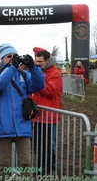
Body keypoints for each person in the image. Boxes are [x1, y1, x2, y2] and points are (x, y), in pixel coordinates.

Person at [0, 44, 45, 177]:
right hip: (2, 125)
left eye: (14, 56)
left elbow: (39, 85)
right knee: (3, 163)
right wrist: (13, 67)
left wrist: (33, 67)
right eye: (9, 57)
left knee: (26, 162)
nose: (12, 59)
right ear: (2, 59)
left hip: (22, 124)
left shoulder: (23, 74)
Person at [32, 47, 63, 175]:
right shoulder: (37, 71)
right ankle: (41, 167)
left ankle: (50, 168)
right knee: (39, 145)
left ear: (48, 60)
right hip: (37, 115)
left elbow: (50, 91)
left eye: (40, 61)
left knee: (49, 145)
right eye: (36, 61)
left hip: (49, 116)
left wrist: (38, 81)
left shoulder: (55, 73)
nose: (37, 64)